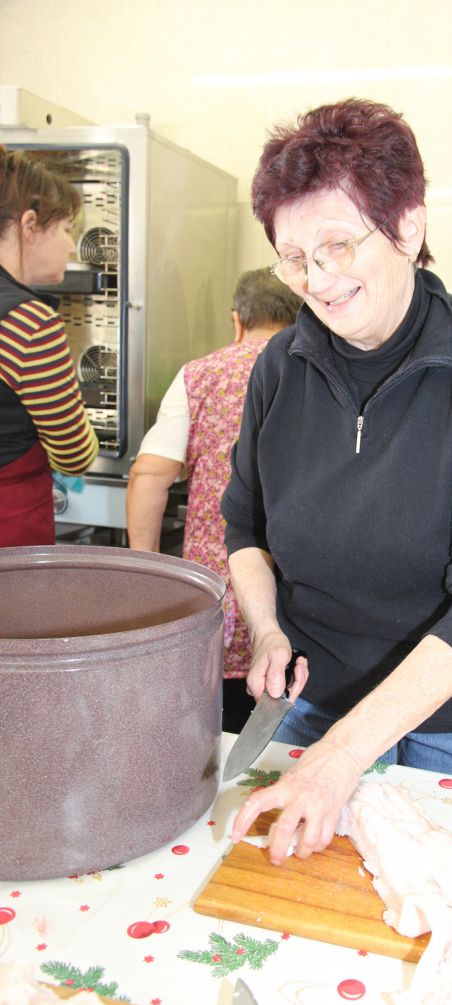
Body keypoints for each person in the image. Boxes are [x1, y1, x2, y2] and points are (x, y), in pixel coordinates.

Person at [222, 99, 452, 865]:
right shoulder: (278, 368)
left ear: (406, 227)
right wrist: (267, 630)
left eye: (337, 245)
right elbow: (245, 527)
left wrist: (342, 756)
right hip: (315, 699)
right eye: (293, 257)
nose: (316, 279)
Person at [126, 268, 301, 730]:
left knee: (216, 736)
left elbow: (149, 475)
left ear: (237, 321)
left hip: (217, 596)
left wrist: (145, 570)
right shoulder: (312, 372)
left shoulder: (200, 376)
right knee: (286, 740)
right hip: (299, 603)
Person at [0, 147, 99, 547]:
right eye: (67, 229)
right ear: (29, 225)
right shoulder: (28, 322)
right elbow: (75, 454)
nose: (72, 246)